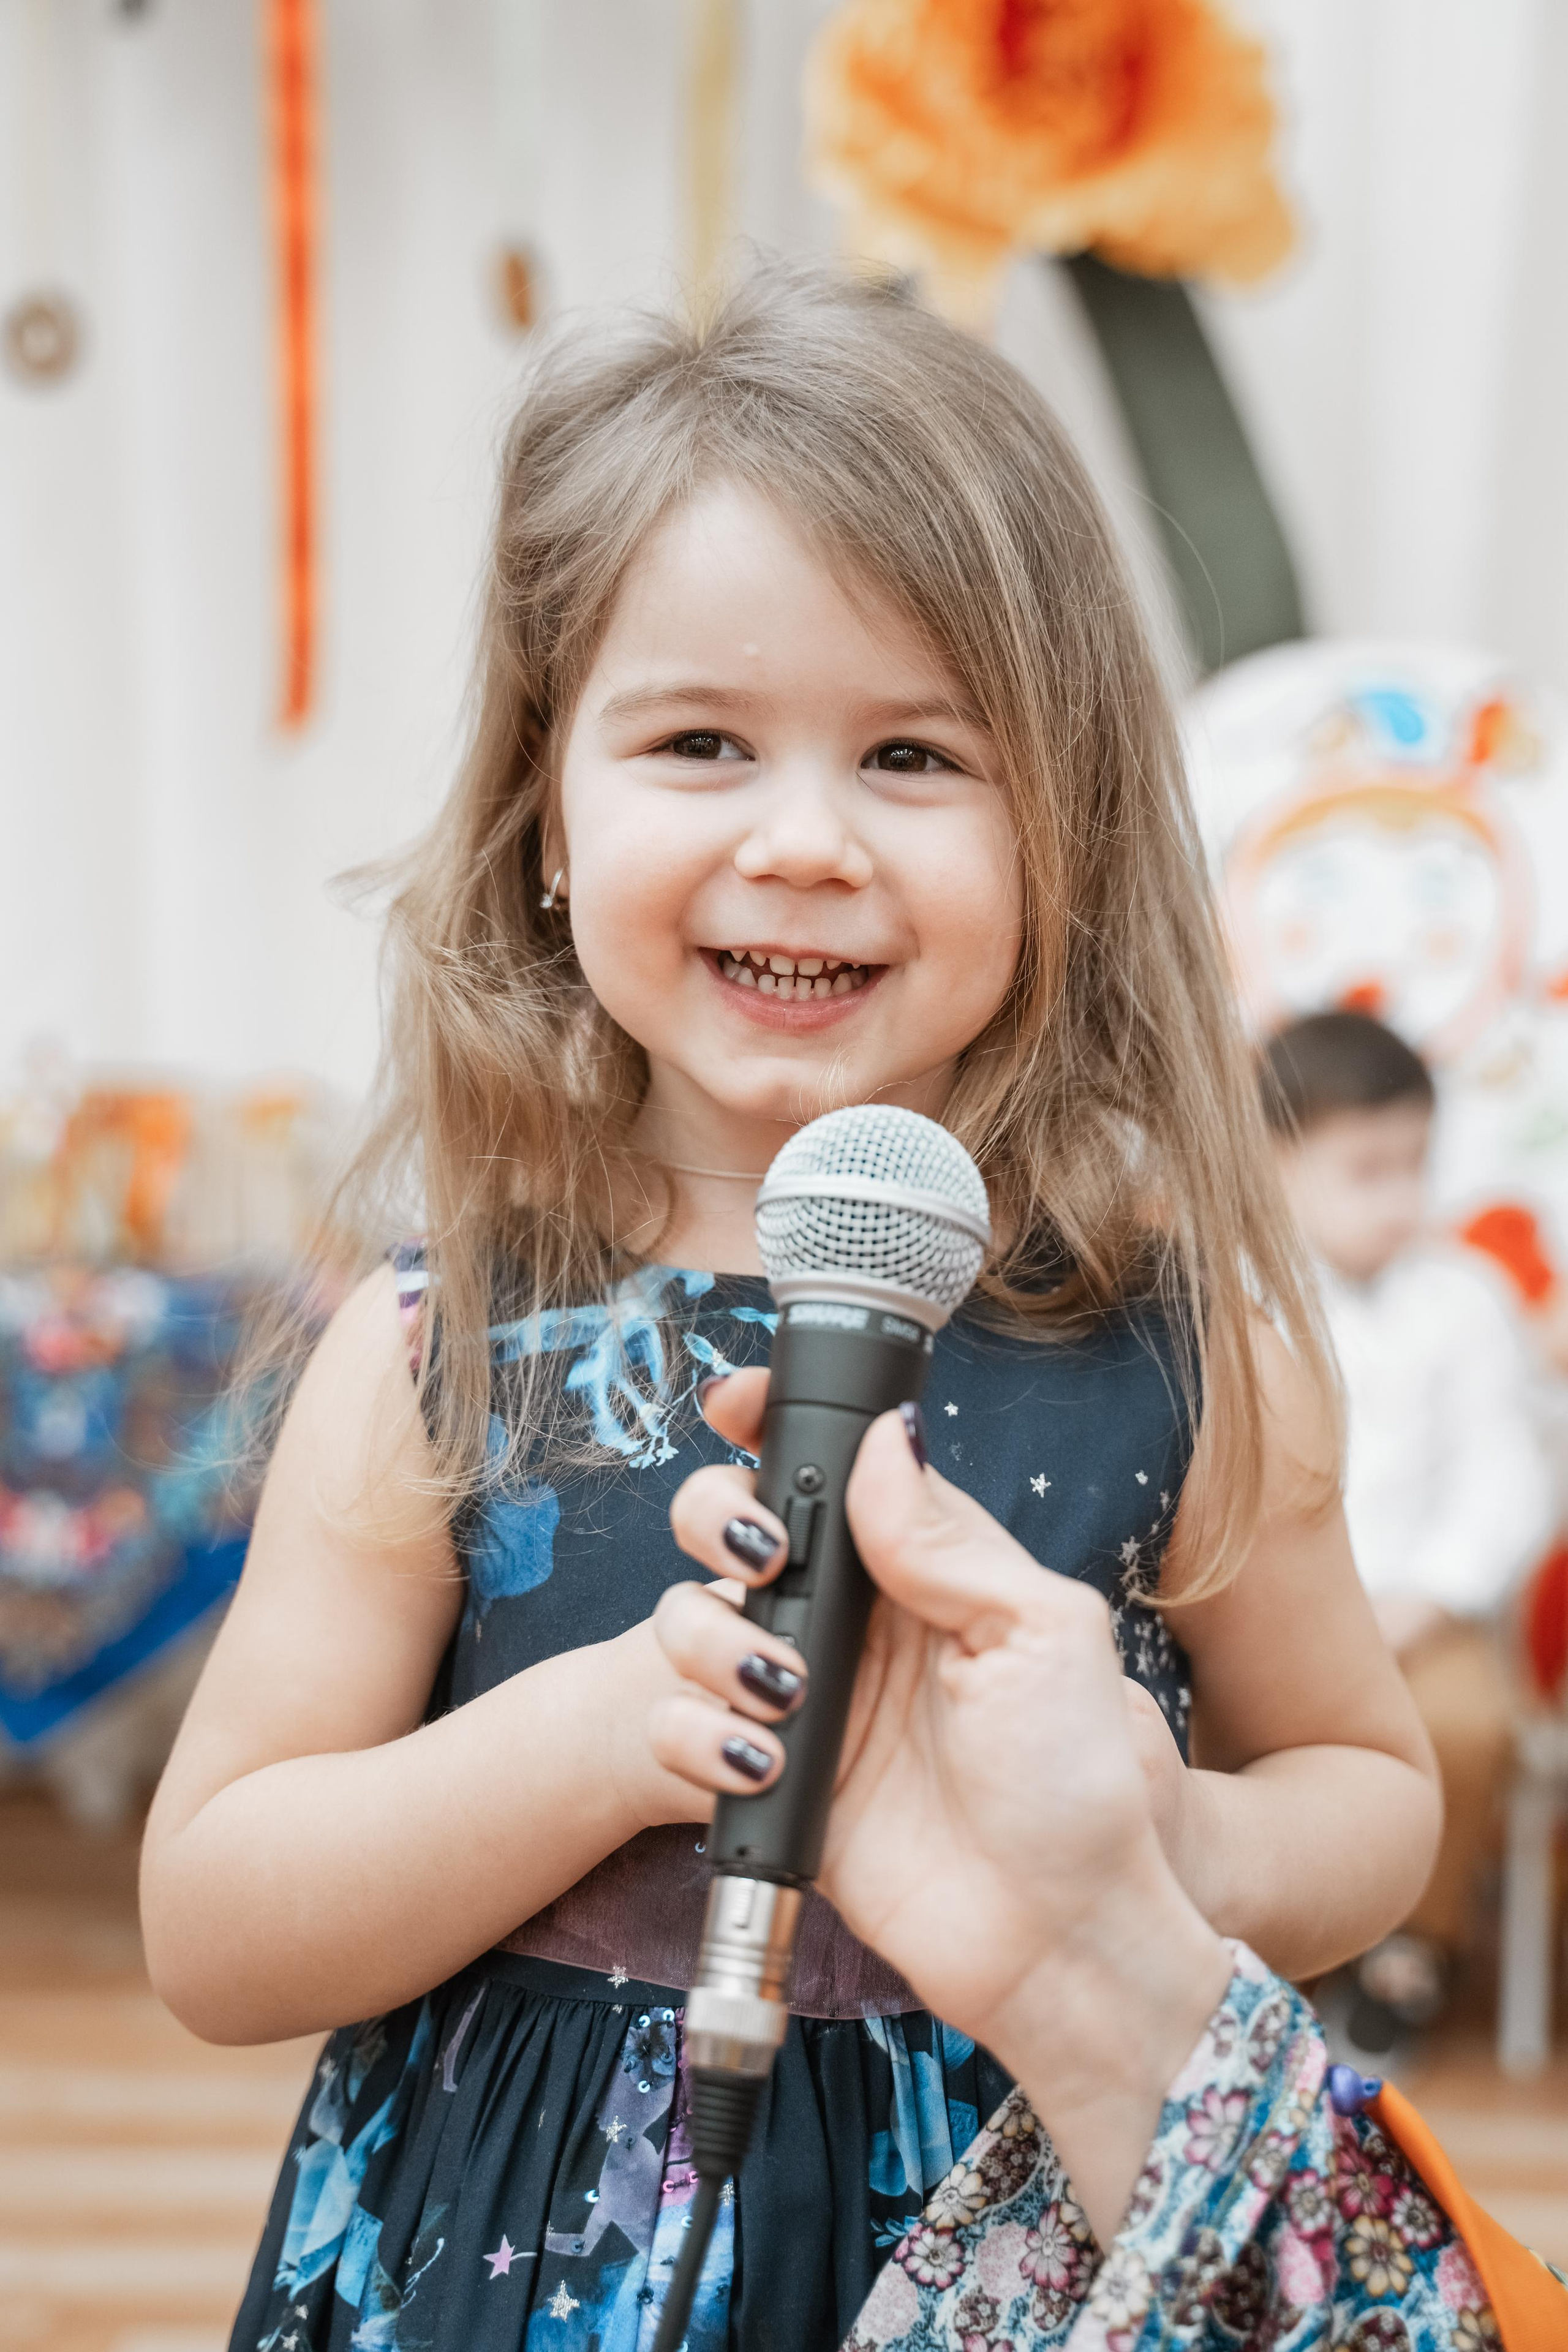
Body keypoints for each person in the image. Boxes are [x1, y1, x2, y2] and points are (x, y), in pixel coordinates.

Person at [140, 265, 1439, 2352]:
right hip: (512, 2259)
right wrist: (582, 1745)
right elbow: (214, 1924)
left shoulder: (1190, 1355)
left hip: (1021, 2243)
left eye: (915, 753)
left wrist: (1167, 1837)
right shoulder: (437, 1355)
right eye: (701, 742)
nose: (807, 840)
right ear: (546, 822)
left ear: (1068, 845)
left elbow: (1370, 1801)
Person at [655, 1378, 1568, 2348]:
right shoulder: (483, 1304)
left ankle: (1406, 1975)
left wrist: (1135, 1892)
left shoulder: (1189, 1345)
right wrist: (608, 1733)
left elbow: (1366, 1764)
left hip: (1082, 2159)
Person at [1262, 1011, 1557, 2049]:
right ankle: (1280, 1949)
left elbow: (1508, 1475)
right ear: (1275, 1162)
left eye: (1416, 1166)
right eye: (1366, 1170)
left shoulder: (1466, 1299)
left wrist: (1430, 1597)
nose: (1402, 1198)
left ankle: (1409, 1953)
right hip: (1271, 1612)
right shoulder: (1235, 1291)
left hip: (1427, 1616)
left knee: (1467, 1729)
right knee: (1223, 1727)